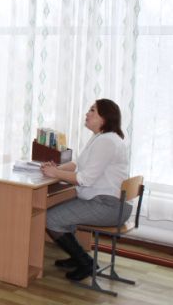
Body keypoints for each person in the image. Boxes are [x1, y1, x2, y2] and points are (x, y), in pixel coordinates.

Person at [42, 99, 131, 281]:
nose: (87, 113)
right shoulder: (101, 137)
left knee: (50, 218)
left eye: (92, 110)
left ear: (104, 118)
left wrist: (56, 173)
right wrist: (56, 168)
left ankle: (86, 263)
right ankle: (77, 256)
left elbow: (85, 179)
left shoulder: (106, 142)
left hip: (108, 206)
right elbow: (78, 164)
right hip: (106, 202)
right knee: (61, 211)